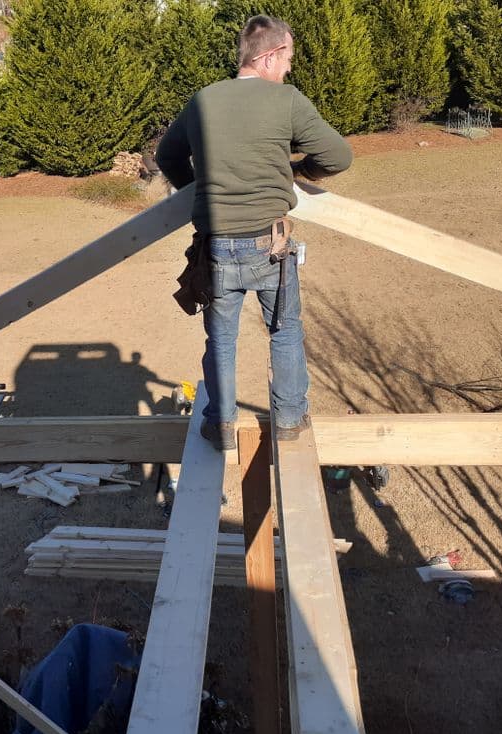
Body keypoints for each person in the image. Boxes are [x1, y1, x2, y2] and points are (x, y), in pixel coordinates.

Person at [155, 15, 352, 450]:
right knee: (284, 331)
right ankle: (288, 419)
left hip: (217, 248)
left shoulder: (203, 100)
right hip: (271, 246)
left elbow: (166, 155)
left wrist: (199, 186)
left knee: (221, 337)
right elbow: (338, 156)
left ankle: (221, 425)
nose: (288, 70)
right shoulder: (286, 101)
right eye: (287, 59)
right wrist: (301, 170)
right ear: (268, 56)